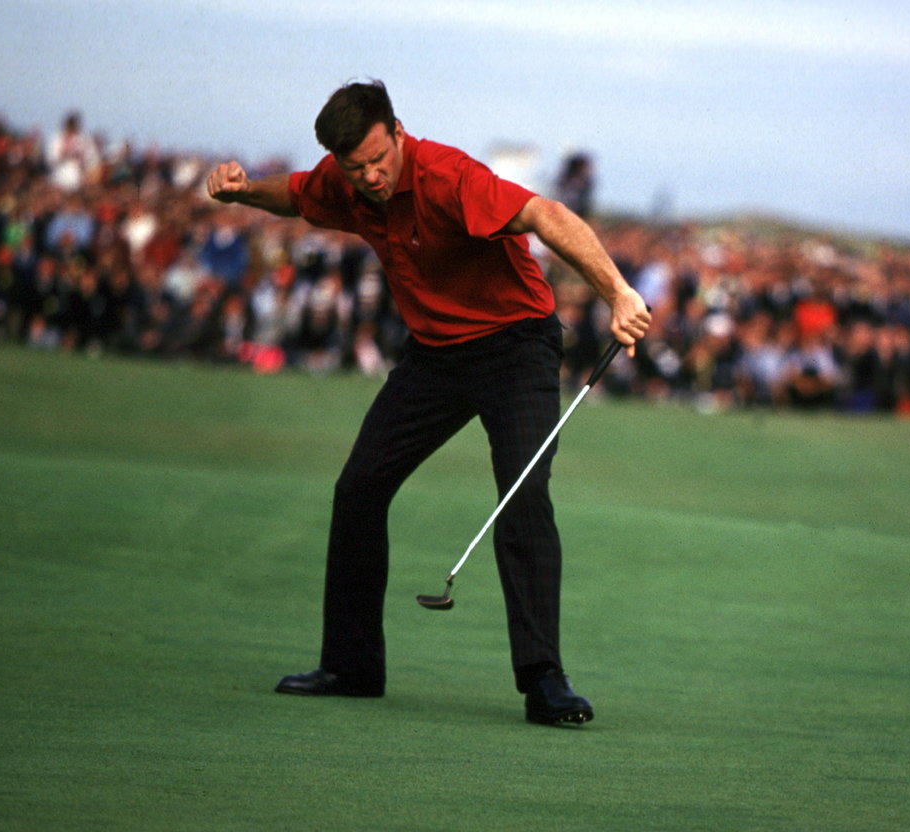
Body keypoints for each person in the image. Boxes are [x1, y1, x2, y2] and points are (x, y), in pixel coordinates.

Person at [206, 80, 650, 725]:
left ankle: (544, 680)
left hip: (516, 346)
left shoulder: (448, 177)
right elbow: (297, 193)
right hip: (436, 357)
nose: (371, 176)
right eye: (355, 168)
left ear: (397, 132)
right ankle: (352, 667)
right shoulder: (346, 182)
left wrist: (618, 293)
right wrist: (244, 190)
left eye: (378, 159)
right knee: (359, 490)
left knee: (522, 495)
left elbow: (547, 215)